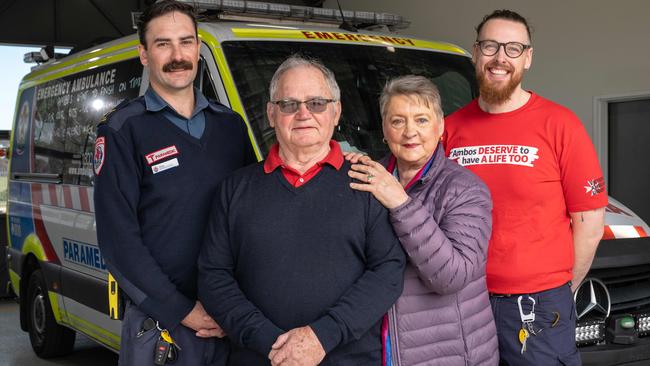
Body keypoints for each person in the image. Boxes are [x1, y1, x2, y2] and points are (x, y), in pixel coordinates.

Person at [197, 55, 406, 366]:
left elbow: (388, 271)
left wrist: (322, 336)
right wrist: (271, 344)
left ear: (336, 111)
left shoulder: (369, 183)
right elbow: (213, 276)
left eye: (317, 103)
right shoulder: (234, 189)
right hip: (258, 357)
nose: (304, 113)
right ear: (271, 113)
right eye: (289, 104)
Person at [93, 1, 256, 364]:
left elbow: (254, 214)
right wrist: (182, 309)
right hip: (163, 325)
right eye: (163, 44)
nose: (177, 55)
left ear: (199, 49)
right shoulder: (122, 130)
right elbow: (118, 242)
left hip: (231, 318)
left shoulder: (230, 126)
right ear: (144, 54)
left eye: (186, 42)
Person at [444, 9, 607, 365]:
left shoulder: (560, 125)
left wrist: (562, 290)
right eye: (490, 46)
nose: (500, 58)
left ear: (528, 58)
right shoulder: (448, 129)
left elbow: (590, 224)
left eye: (513, 48)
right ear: (475, 52)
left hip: (538, 305)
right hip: (462, 303)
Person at [346, 75, 498, 365]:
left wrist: (401, 203)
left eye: (422, 120)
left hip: (446, 354)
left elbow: (452, 275)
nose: (409, 132)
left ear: (440, 127)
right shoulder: (369, 177)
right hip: (377, 349)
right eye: (398, 121)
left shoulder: (466, 189)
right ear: (384, 130)